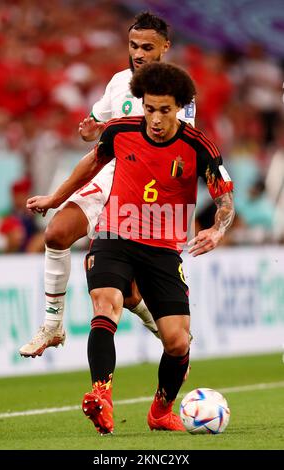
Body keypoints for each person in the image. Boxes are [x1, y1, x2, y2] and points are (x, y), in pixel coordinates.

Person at [25, 62, 234, 433]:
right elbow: (91, 164)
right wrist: (55, 198)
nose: (154, 118)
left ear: (181, 107)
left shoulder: (198, 145)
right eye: (149, 108)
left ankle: (160, 411)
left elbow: (225, 200)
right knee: (106, 305)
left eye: (164, 110)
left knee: (177, 341)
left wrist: (218, 230)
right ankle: (100, 397)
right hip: (114, 236)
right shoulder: (121, 130)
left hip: (163, 249)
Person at [19, 11, 196, 358]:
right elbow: (99, 124)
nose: (139, 53)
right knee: (55, 234)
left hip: (145, 193)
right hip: (108, 175)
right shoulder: (118, 82)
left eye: (147, 47)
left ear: (165, 48)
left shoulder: (179, 91)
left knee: (128, 295)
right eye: (133, 46)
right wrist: (91, 130)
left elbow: (178, 144)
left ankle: (160, 329)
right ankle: (53, 327)